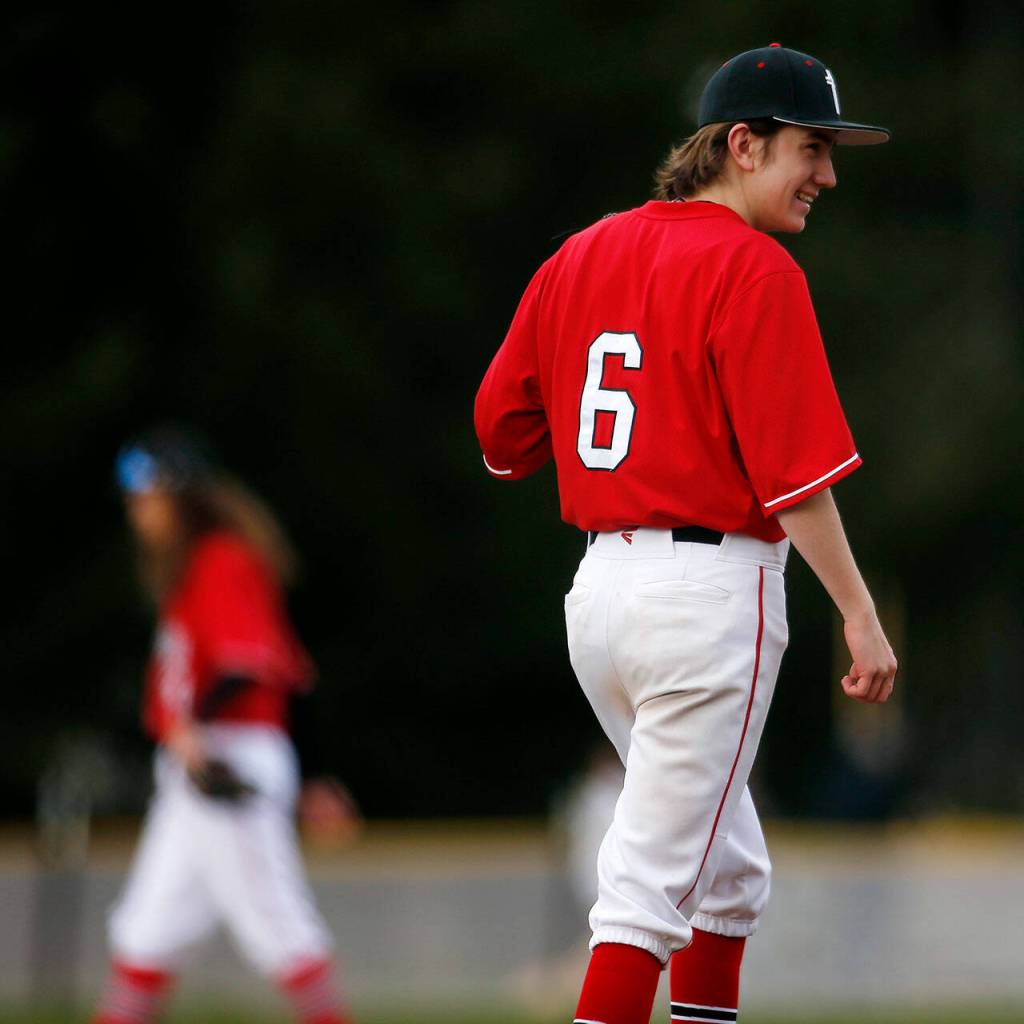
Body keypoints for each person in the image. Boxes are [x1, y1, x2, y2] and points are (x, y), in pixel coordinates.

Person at [474, 44, 898, 1024]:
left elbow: (502, 433)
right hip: (707, 604)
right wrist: (860, 614)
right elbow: (794, 482)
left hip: (601, 600)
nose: (827, 174)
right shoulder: (757, 268)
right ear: (740, 145)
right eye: (811, 148)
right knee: (644, 892)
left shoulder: (581, 252)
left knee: (728, 869)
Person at [93, 427, 359, 1024]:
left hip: (227, 758)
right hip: (199, 766)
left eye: (148, 495)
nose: (138, 510)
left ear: (182, 495)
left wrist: (196, 727)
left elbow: (255, 665)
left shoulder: (221, 560)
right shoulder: (192, 567)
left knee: (279, 926)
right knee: (146, 932)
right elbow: (291, 668)